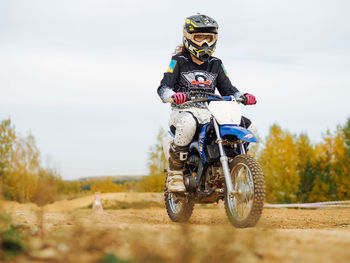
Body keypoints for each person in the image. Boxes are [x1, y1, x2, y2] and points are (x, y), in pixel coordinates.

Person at [157, 14, 257, 192]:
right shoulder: (178, 61)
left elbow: (229, 90)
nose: (204, 43)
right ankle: (175, 173)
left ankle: (234, 165)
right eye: (199, 38)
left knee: (251, 126)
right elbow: (163, 87)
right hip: (183, 112)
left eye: (209, 38)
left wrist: (243, 95)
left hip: (211, 111)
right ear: (188, 37)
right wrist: (172, 96)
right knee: (188, 124)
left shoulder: (216, 64)